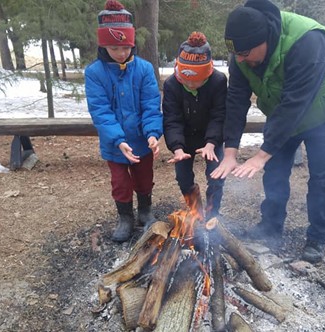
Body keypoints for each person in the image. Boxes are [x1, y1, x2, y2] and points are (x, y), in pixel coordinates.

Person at [211, 0, 325, 264]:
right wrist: (230, 151)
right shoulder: (242, 53)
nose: (239, 59)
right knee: (276, 171)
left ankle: (317, 238)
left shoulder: (307, 41)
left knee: (322, 178)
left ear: (264, 39)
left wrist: (261, 155)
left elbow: (295, 104)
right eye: (236, 54)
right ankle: (270, 226)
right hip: (284, 110)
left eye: (244, 53)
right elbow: (237, 99)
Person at [84, 0, 163, 243]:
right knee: (120, 181)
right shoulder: (94, 73)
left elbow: (151, 104)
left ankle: (145, 211)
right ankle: (125, 217)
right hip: (114, 143)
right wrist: (118, 140)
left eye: (126, 47)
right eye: (115, 48)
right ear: (103, 44)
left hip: (141, 140)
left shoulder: (144, 68)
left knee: (144, 177)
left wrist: (152, 133)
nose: (122, 53)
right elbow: (101, 111)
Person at [162, 32, 227, 219]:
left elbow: (219, 115)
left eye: (195, 79)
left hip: (211, 138)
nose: (190, 83)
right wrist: (177, 148)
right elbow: (172, 119)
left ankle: (212, 213)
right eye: (186, 78)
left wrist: (212, 142)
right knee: (183, 177)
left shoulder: (218, 81)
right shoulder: (172, 84)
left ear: (207, 73)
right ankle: (196, 211)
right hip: (184, 137)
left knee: (216, 174)